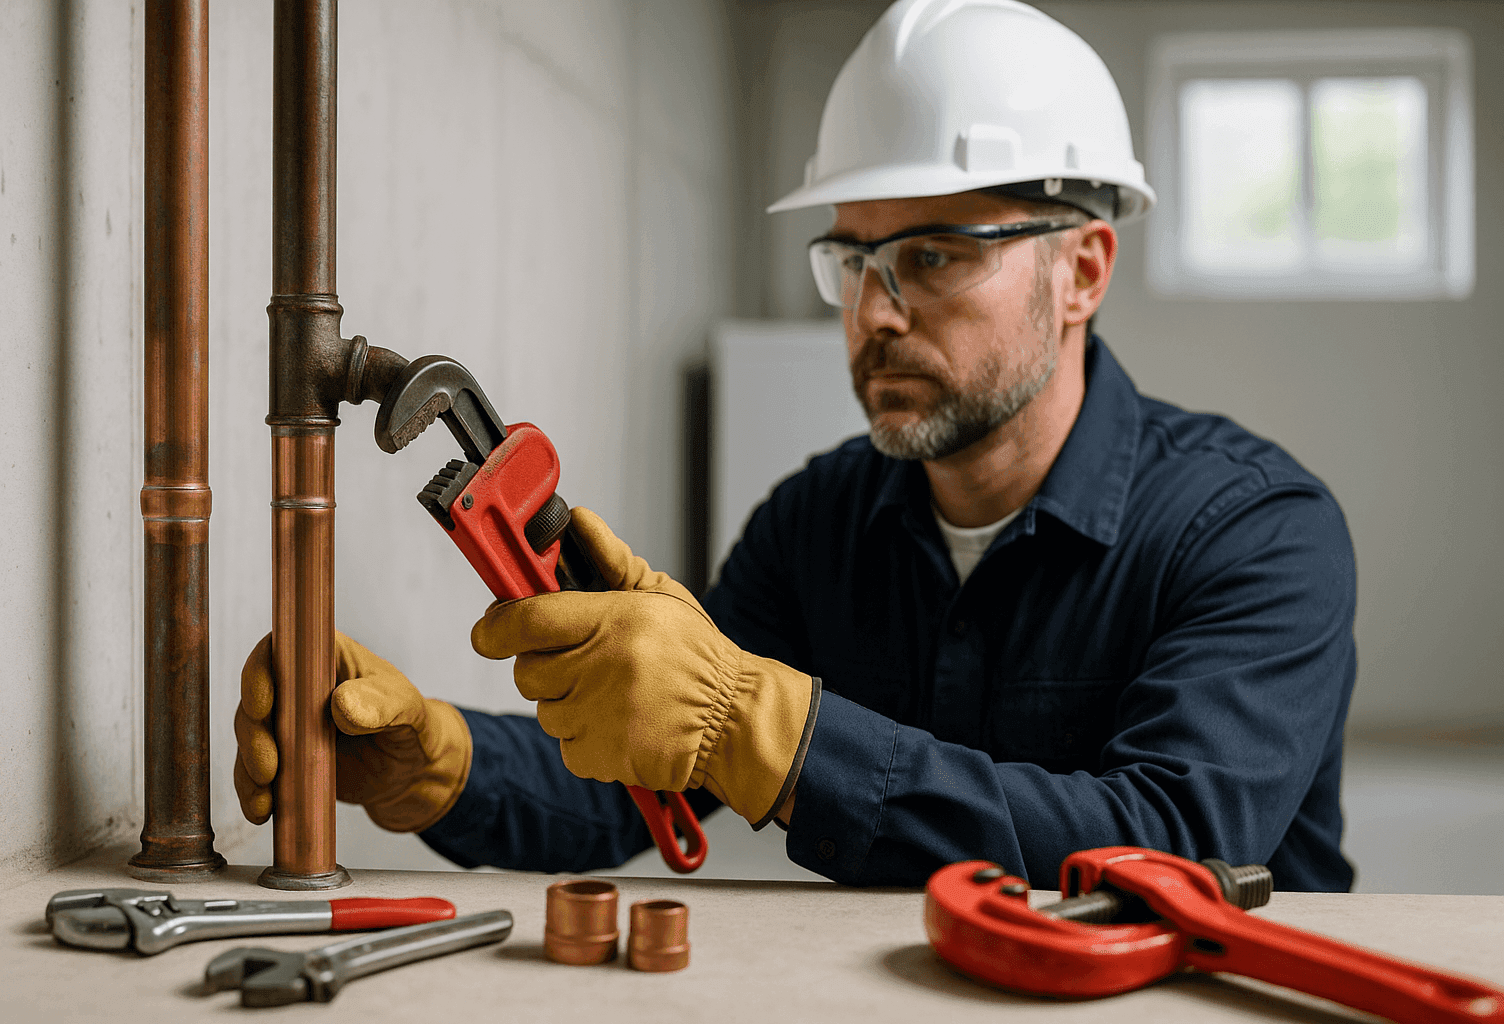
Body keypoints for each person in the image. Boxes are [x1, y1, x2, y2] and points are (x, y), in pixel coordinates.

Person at [234, 0, 1357, 891]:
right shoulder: (819, 521)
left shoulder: (1255, 533)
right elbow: (640, 786)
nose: (873, 312)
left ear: (1085, 271)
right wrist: (438, 759)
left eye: (933, 256)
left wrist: (761, 725)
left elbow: (1176, 846)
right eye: (853, 261)